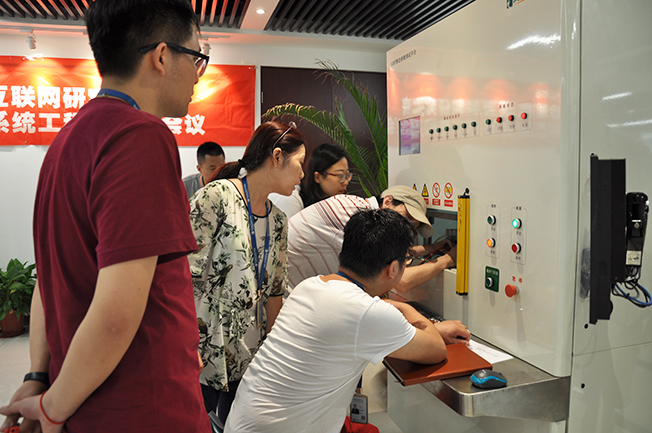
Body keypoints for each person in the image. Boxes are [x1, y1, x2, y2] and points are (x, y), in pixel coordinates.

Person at [0, 1, 211, 432]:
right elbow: (117, 313)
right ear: (162, 56)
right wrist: (52, 407)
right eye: (196, 57)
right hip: (143, 409)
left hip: (86, 404)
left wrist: (39, 376)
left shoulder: (67, 140)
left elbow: (49, 281)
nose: (197, 74)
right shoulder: (140, 135)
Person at [224, 208, 470, 433]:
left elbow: (355, 314)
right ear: (393, 269)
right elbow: (435, 350)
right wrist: (412, 312)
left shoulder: (310, 286)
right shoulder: (367, 313)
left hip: (240, 423)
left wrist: (414, 321)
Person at [189, 121, 306, 425]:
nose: (302, 175)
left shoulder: (278, 221)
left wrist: (275, 358)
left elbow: (275, 295)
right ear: (277, 157)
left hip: (249, 356)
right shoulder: (218, 196)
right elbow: (180, 274)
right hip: (202, 353)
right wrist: (182, 344)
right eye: (299, 163)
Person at [287, 185, 456, 290]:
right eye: (407, 217)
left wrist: (434, 247)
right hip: (283, 297)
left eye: (413, 226)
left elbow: (394, 253)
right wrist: (448, 260)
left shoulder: (356, 207)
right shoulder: (355, 215)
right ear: (387, 201)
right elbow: (399, 280)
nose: (406, 226)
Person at [269, 142, 350, 218]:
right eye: (340, 175)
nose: (346, 182)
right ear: (317, 177)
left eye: (347, 175)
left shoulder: (334, 204)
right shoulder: (291, 198)